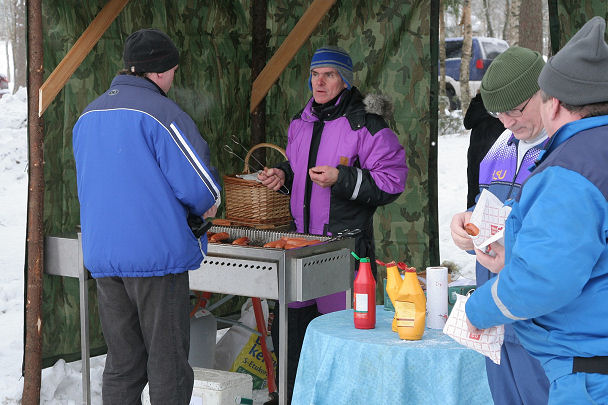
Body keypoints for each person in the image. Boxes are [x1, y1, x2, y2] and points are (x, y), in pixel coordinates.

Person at [72, 28, 221, 404]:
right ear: (158, 71)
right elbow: (200, 186)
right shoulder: (162, 113)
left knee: (123, 364)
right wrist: (212, 203)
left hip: (105, 260)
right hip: (156, 259)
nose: (173, 78)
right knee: (167, 364)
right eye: (172, 69)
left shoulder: (87, 116)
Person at [465, 16, 608, 404]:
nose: (508, 123)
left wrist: (475, 310)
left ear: (553, 101)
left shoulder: (571, 167)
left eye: (521, 107)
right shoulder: (589, 152)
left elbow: (544, 278)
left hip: (582, 366)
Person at [259, 45, 407, 403]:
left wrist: (341, 178)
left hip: (345, 253)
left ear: (345, 80)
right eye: (314, 74)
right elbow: (301, 173)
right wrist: (284, 176)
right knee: (294, 342)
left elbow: (392, 181)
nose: (319, 82)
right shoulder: (301, 121)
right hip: (298, 251)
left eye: (329, 74)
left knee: (342, 344)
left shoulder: (366, 124)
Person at [450, 46, 550, 405]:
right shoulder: (501, 146)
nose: (507, 122)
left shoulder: (565, 150)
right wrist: (467, 222)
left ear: (544, 92)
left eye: (515, 111)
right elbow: (488, 208)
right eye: (499, 113)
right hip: (495, 319)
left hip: (542, 324)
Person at [463, 92, 505, 208]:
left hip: (480, 156)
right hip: (493, 154)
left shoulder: (479, 101)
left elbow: (467, 122)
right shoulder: (506, 101)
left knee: (477, 193)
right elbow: (467, 123)